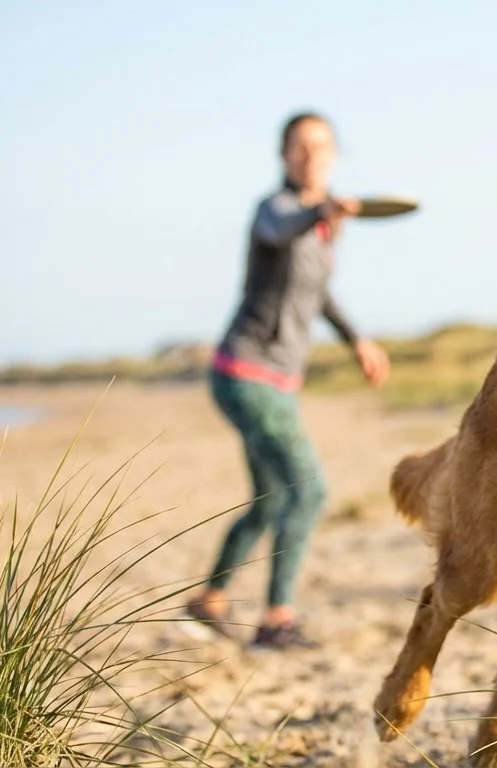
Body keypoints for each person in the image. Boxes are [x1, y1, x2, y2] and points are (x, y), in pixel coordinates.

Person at [185, 111, 391, 649]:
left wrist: (358, 341)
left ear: (334, 155)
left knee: (272, 500)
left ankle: (210, 599)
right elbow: (281, 227)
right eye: (299, 147)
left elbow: (317, 294)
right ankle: (277, 619)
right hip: (245, 374)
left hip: (276, 380)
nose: (310, 156)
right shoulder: (274, 211)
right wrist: (320, 211)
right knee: (311, 490)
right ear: (284, 157)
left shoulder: (321, 226)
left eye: (321, 147)